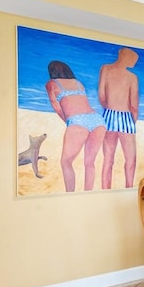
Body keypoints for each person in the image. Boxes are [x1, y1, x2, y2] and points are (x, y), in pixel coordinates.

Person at [45, 60, 106, 192]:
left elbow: (57, 107)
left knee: (66, 162)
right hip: (97, 120)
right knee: (89, 163)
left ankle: (70, 194)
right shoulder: (78, 83)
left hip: (77, 120)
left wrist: (69, 122)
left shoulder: (51, 83)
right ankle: (88, 193)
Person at [98, 47, 139, 189]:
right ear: (127, 58)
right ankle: (129, 187)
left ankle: (105, 190)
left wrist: (109, 108)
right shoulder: (132, 77)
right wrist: (133, 119)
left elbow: (102, 95)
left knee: (108, 158)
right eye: (134, 59)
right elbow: (133, 104)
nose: (135, 62)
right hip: (125, 117)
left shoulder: (105, 69)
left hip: (109, 115)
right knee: (131, 158)